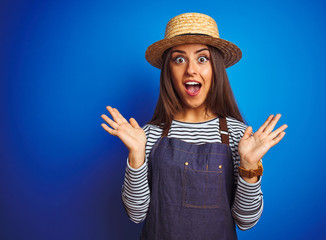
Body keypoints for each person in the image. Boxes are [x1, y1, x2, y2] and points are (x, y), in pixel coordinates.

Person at [101, 12, 288, 240]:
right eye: (179, 59)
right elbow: (136, 214)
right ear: (168, 71)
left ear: (215, 68)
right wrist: (136, 156)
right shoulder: (148, 135)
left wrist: (250, 165)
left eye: (202, 58)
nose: (190, 69)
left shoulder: (239, 135)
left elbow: (246, 221)